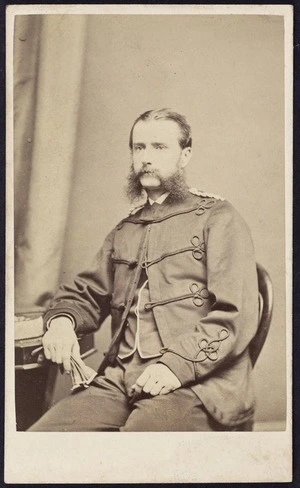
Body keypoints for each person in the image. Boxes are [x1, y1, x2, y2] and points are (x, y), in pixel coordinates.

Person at [28, 108, 259, 432]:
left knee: (136, 451)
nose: (146, 158)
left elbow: (234, 314)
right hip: (121, 378)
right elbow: (86, 293)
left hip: (197, 384)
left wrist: (174, 367)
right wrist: (63, 322)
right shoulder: (126, 228)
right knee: (42, 440)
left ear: (185, 155)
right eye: (139, 148)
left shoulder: (219, 218)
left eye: (159, 147)